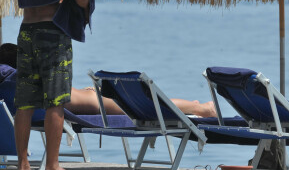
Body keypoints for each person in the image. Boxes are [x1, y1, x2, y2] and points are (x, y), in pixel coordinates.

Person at [14, 0, 94, 170]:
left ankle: (23, 167)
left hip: (26, 31)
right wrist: (81, 4)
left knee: (24, 102)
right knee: (56, 101)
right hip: (52, 34)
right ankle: (52, 167)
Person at [0, 43, 217, 117]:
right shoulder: (31, 85)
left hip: (93, 102)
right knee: (147, 103)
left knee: (149, 104)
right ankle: (198, 108)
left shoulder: (18, 88)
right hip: (94, 103)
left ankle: (197, 108)